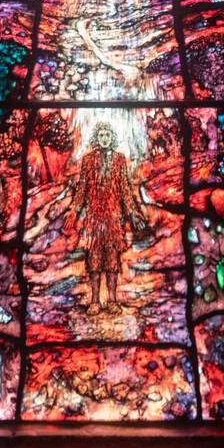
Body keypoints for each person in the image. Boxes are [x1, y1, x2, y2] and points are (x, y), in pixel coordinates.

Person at [67, 121, 149, 314]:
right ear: (97, 137)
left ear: (112, 138)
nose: (104, 138)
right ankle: (95, 301)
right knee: (94, 261)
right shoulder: (88, 160)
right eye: (101, 135)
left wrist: (133, 213)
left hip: (113, 218)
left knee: (112, 261)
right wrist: (74, 211)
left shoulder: (120, 160)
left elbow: (126, 191)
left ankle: (112, 300)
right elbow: (82, 190)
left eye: (108, 135)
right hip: (94, 219)